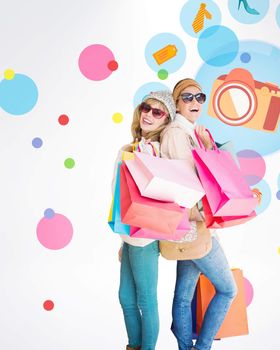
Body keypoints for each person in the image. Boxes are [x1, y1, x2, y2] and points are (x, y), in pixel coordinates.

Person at [160, 79, 237, 350]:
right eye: (187, 97)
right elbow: (189, 182)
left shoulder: (190, 131)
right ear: (176, 101)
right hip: (195, 223)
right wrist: (208, 149)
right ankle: (201, 347)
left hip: (192, 225)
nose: (194, 102)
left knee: (183, 296)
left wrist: (206, 145)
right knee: (228, 290)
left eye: (199, 97)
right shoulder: (177, 133)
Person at [111, 91, 176, 350]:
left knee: (146, 300)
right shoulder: (133, 145)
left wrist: (148, 153)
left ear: (166, 121)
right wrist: (122, 239)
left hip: (144, 238)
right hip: (129, 236)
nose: (149, 114)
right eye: (147, 108)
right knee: (126, 298)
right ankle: (133, 346)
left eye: (158, 112)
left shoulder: (154, 149)